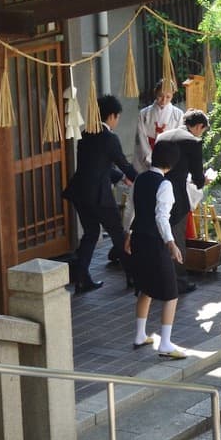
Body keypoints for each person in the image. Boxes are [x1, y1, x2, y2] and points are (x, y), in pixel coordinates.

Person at [62, 94, 137, 293]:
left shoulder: (86, 133)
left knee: (91, 233)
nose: (117, 121)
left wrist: (120, 177)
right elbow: (124, 163)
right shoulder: (110, 138)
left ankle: (81, 278)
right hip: (99, 195)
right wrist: (143, 180)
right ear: (111, 116)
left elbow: (96, 165)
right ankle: (133, 276)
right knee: (118, 234)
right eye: (117, 117)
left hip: (80, 192)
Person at [125, 139, 188, 360]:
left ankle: (140, 335)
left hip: (138, 239)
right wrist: (171, 243)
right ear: (172, 164)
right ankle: (166, 343)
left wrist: (128, 234)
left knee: (146, 288)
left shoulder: (139, 179)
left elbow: (130, 209)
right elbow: (162, 217)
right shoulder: (165, 185)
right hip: (154, 242)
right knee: (171, 293)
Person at [155, 110, 210, 292]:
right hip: (177, 195)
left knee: (160, 235)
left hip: (156, 187)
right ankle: (178, 281)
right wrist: (203, 181)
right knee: (177, 238)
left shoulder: (163, 136)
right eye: (202, 130)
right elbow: (197, 174)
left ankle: (159, 276)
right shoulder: (192, 142)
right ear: (199, 126)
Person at [133, 81, 181, 173]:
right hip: (147, 155)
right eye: (160, 96)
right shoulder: (144, 114)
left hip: (169, 158)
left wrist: (168, 160)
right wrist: (149, 158)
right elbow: (141, 137)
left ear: (172, 95)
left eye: (168, 97)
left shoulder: (178, 115)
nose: (164, 100)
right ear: (155, 93)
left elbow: (178, 139)